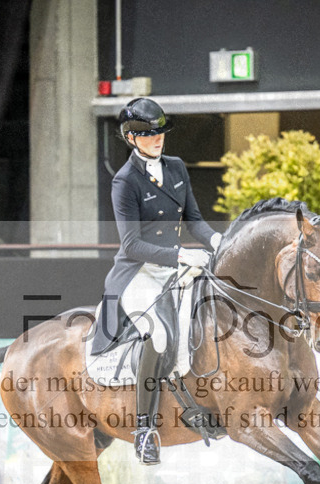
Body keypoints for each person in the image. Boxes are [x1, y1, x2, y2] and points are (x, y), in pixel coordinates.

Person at [90, 97, 222, 465]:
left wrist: (216, 240)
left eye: (160, 133)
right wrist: (181, 255)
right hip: (138, 272)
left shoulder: (176, 167)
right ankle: (144, 430)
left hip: (173, 266)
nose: (158, 139)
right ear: (132, 138)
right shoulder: (124, 181)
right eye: (149, 135)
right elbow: (131, 245)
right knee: (159, 335)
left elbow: (193, 220)